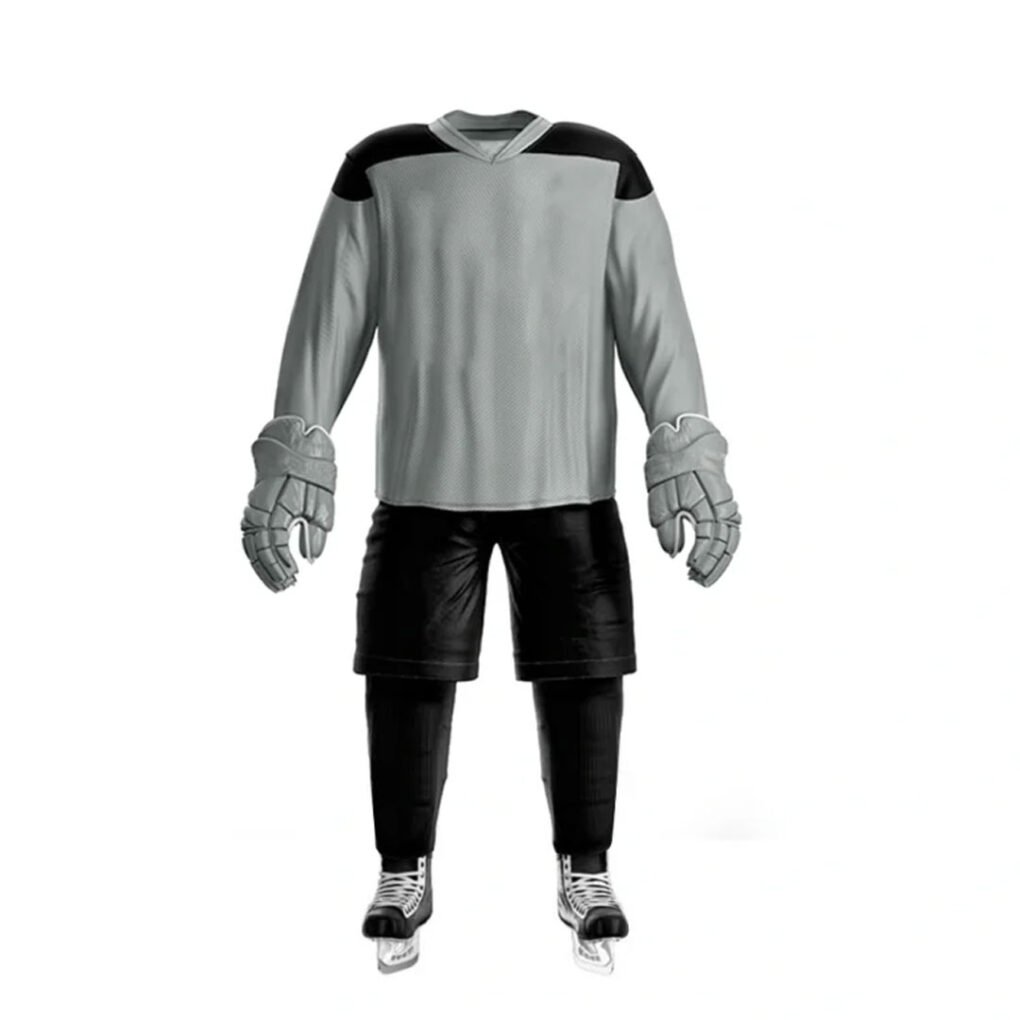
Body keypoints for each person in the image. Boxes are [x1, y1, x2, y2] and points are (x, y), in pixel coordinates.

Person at [241, 109, 741, 974]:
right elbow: (332, 310)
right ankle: (403, 870)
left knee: (586, 674)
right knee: (406, 675)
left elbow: (654, 313)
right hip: (424, 482)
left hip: (569, 480)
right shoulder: (381, 167)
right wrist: (297, 442)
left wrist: (684, 439)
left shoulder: (605, 166)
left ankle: (587, 869)